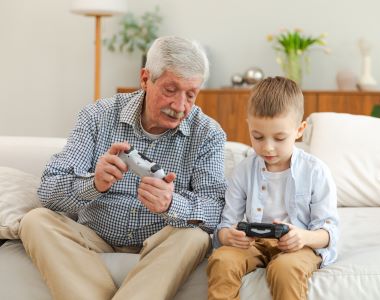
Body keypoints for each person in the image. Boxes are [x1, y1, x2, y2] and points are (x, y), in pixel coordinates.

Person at [19, 36, 227, 300]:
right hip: (94, 237)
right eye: (170, 90)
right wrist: (94, 183)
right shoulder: (97, 116)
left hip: (159, 245)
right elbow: (48, 190)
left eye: (190, 94)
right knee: (36, 221)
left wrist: (171, 204)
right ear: (144, 79)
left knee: (195, 237)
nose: (180, 106)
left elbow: (217, 208)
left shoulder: (208, 134)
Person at [207, 76, 339, 300]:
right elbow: (225, 224)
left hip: (298, 246)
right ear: (249, 126)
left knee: (285, 270)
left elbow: (329, 233)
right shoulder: (243, 171)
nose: (267, 147)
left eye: (279, 138)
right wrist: (229, 236)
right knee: (223, 260)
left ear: (300, 130)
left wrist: (303, 237)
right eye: (257, 136)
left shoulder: (316, 171)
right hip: (254, 243)